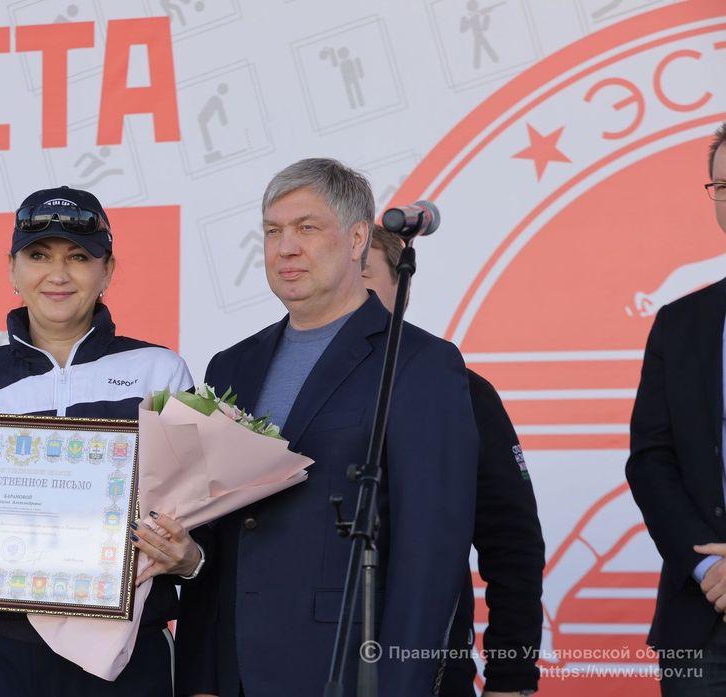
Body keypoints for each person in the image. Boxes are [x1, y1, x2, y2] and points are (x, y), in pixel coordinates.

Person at [0, 185, 199, 696]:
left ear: (108, 271)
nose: (58, 274)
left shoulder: (159, 372)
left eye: (79, 257)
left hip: (121, 649)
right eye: (39, 255)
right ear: (12, 270)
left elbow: (198, 518)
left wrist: (189, 558)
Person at [175, 159, 479, 697]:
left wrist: (400, 687)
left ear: (358, 238)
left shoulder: (418, 363)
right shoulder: (231, 365)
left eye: (307, 228)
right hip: (233, 672)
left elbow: (431, 556)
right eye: (273, 231)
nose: (285, 248)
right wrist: (201, 677)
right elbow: (218, 531)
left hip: (345, 669)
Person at [364, 224, 545, 697]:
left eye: (364, 274)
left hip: (429, 671)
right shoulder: (283, 384)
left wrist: (512, 676)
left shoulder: (459, 390)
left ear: (403, 289)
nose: (350, 291)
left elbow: (512, 545)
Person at [627, 122, 726, 694]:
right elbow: (651, 460)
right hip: (700, 618)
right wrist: (711, 568)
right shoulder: (680, 323)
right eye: (722, 186)